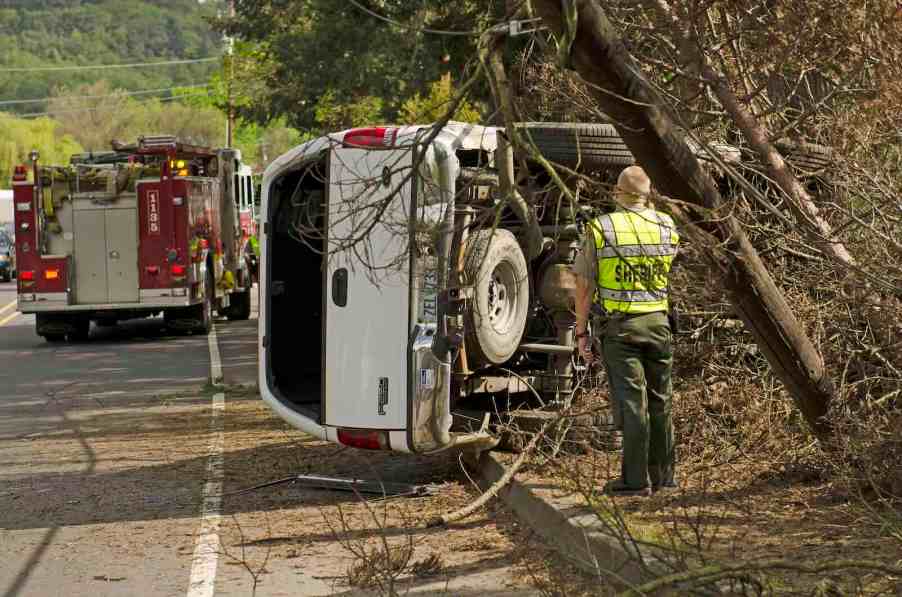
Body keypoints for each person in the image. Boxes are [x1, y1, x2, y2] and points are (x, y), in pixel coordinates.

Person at [572, 166, 680, 496]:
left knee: (634, 404)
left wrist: (581, 333)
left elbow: (584, 285)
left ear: (618, 193)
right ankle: (664, 478)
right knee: (662, 401)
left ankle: (635, 481)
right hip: (659, 323)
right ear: (648, 195)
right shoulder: (666, 225)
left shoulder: (601, 228)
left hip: (622, 329)